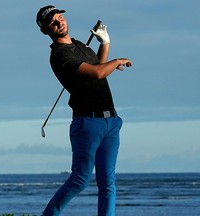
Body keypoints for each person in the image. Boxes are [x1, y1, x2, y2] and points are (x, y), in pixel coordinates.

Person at [36, 5, 132, 216]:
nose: (59, 22)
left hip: (111, 121)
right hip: (87, 122)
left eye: (60, 17)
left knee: (108, 182)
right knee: (80, 179)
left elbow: (98, 65)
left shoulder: (79, 45)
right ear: (45, 30)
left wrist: (104, 43)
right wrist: (116, 61)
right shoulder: (59, 55)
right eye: (52, 22)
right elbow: (97, 73)